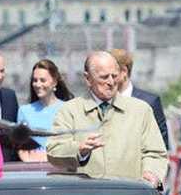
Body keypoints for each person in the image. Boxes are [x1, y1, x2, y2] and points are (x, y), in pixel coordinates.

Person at [46, 51, 168, 185]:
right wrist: (79, 150)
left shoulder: (141, 111)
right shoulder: (69, 111)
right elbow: (54, 151)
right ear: (88, 79)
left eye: (114, 76)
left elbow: (156, 153)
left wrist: (151, 173)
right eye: (104, 77)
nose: (111, 82)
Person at [109, 48, 169, 150]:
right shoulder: (100, 102)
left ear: (123, 71)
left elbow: (160, 145)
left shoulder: (149, 102)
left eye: (109, 73)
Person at [16, 59, 74, 162]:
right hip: (33, 170)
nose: (38, 85)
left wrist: (47, 157)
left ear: (54, 82)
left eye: (43, 80)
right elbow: (22, 148)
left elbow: (72, 145)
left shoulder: (68, 109)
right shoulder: (24, 111)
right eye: (35, 80)